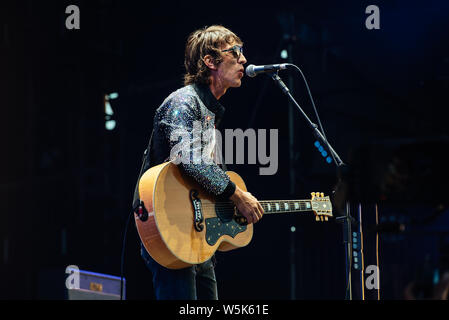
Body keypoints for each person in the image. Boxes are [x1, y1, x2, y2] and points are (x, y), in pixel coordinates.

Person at [133, 25, 264, 300]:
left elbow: (206, 171)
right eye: (235, 52)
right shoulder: (183, 102)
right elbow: (189, 160)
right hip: (171, 228)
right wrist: (237, 195)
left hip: (195, 231)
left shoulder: (209, 113)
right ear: (209, 61)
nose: (243, 60)